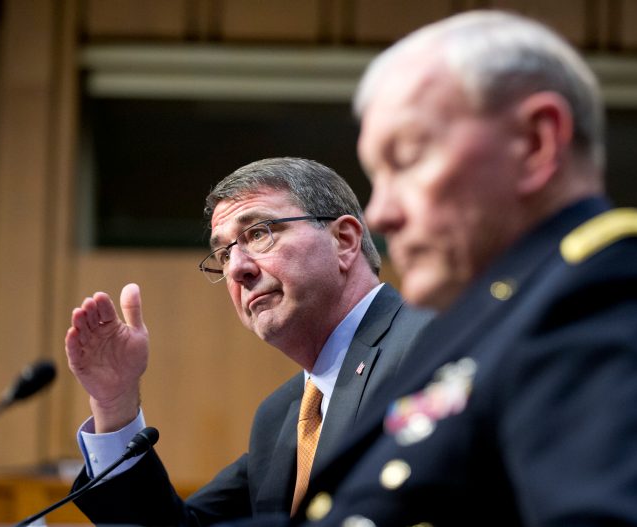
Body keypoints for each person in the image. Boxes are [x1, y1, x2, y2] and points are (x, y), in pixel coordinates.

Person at [276, 10, 637, 526]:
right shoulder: (483, 326)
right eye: (377, 175)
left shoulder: (611, 292)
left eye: (408, 158)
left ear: (534, 143)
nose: (382, 213)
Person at [63, 157, 433, 525]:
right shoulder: (279, 416)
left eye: (258, 233)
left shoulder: (429, 345)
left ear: (344, 240)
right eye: (224, 254)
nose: (237, 269)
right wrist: (114, 404)